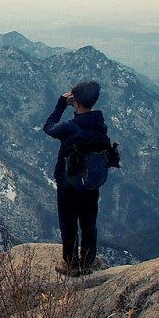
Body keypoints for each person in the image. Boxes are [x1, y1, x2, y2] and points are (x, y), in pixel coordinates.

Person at [43, 81, 107, 276]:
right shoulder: (100, 125)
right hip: (90, 184)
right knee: (89, 222)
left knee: (69, 224)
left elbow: (49, 127)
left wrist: (61, 104)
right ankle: (88, 261)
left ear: (76, 102)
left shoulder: (70, 128)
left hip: (68, 185)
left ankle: (71, 263)